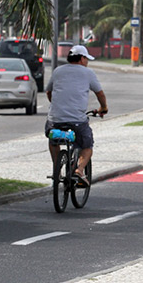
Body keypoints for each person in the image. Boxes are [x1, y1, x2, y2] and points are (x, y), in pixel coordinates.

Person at [45, 45, 108, 188]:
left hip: (54, 119)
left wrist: (58, 105)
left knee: (53, 139)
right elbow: (100, 94)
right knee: (87, 145)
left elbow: (49, 92)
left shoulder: (57, 71)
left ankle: (57, 168)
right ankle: (79, 170)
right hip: (77, 122)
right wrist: (103, 108)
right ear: (81, 58)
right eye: (86, 59)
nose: (87, 62)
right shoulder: (88, 73)